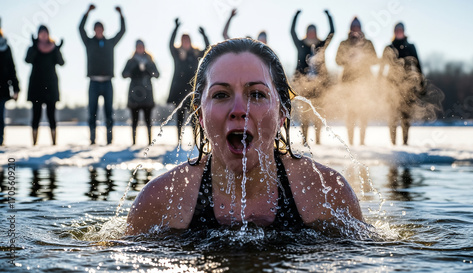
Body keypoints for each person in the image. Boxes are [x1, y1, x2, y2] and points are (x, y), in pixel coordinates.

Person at [126, 38, 363, 235]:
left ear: (282, 112)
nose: (239, 109)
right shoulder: (158, 202)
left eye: (257, 94)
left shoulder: (327, 194)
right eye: (220, 95)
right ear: (199, 114)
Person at [79, 4, 125, 145]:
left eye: (100, 28)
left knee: (109, 113)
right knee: (92, 113)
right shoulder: (89, 42)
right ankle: (92, 140)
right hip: (93, 82)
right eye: (96, 28)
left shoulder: (110, 42)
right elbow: (80, 29)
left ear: (103, 30)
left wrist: (121, 15)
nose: (99, 30)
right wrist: (87, 13)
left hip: (107, 83)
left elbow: (122, 31)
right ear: (94, 30)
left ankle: (109, 141)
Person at [291, 10, 334, 145]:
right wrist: (296, 15)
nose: (311, 33)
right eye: (309, 31)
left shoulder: (321, 46)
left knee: (318, 112)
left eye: (313, 31)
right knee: (304, 113)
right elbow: (292, 32)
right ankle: (304, 139)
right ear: (306, 32)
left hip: (319, 85)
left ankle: (318, 140)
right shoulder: (301, 45)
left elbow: (332, 32)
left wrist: (328, 15)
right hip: (304, 84)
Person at [335, 17, 377, 146]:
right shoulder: (344, 43)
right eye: (353, 26)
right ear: (350, 28)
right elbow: (337, 61)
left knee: (363, 112)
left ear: (361, 28)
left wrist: (363, 58)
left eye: (357, 26)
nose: (355, 29)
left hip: (364, 83)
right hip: (348, 83)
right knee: (350, 113)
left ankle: (362, 142)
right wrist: (348, 58)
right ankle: (351, 143)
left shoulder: (368, 43)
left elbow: (375, 60)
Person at [167, 18, 209, 146]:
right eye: (183, 39)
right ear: (181, 41)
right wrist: (175, 28)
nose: (186, 42)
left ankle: (195, 141)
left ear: (190, 41)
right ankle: (179, 141)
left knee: (194, 117)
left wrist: (204, 34)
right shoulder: (177, 53)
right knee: (179, 116)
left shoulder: (195, 53)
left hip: (192, 89)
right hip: (178, 89)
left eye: (187, 39)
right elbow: (169, 45)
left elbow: (208, 49)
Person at [379, 22, 423, 145]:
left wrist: (421, 83)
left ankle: (405, 143)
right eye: (397, 29)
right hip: (392, 86)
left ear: (404, 31)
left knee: (406, 116)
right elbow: (382, 68)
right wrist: (379, 84)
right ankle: (393, 144)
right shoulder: (388, 47)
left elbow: (418, 65)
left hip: (408, 86)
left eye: (401, 29)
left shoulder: (411, 47)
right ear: (394, 31)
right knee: (392, 115)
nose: (399, 31)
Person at [25, 25, 64, 146]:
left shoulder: (54, 48)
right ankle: (34, 143)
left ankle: (54, 143)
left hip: (51, 87)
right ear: (38, 35)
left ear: (48, 34)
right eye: (40, 33)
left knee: (51, 115)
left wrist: (57, 49)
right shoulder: (33, 48)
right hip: (36, 86)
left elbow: (61, 62)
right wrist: (35, 47)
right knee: (36, 115)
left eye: (45, 33)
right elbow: (27, 60)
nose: (43, 35)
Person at [122, 40, 160, 145]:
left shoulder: (150, 60)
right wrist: (134, 70)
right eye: (138, 47)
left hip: (147, 94)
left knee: (148, 120)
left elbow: (157, 74)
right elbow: (124, 74)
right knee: (134, 120)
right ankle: (134, 142)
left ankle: (149, 141)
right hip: (134, 94)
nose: (140, 48)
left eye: (141, 46)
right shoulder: (131, 61)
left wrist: (147, 69)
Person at [0, 19, 20, 146]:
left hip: (1, 88)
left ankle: (0, 141)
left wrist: (16, 88)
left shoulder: (5, 47)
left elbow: (11, 69)